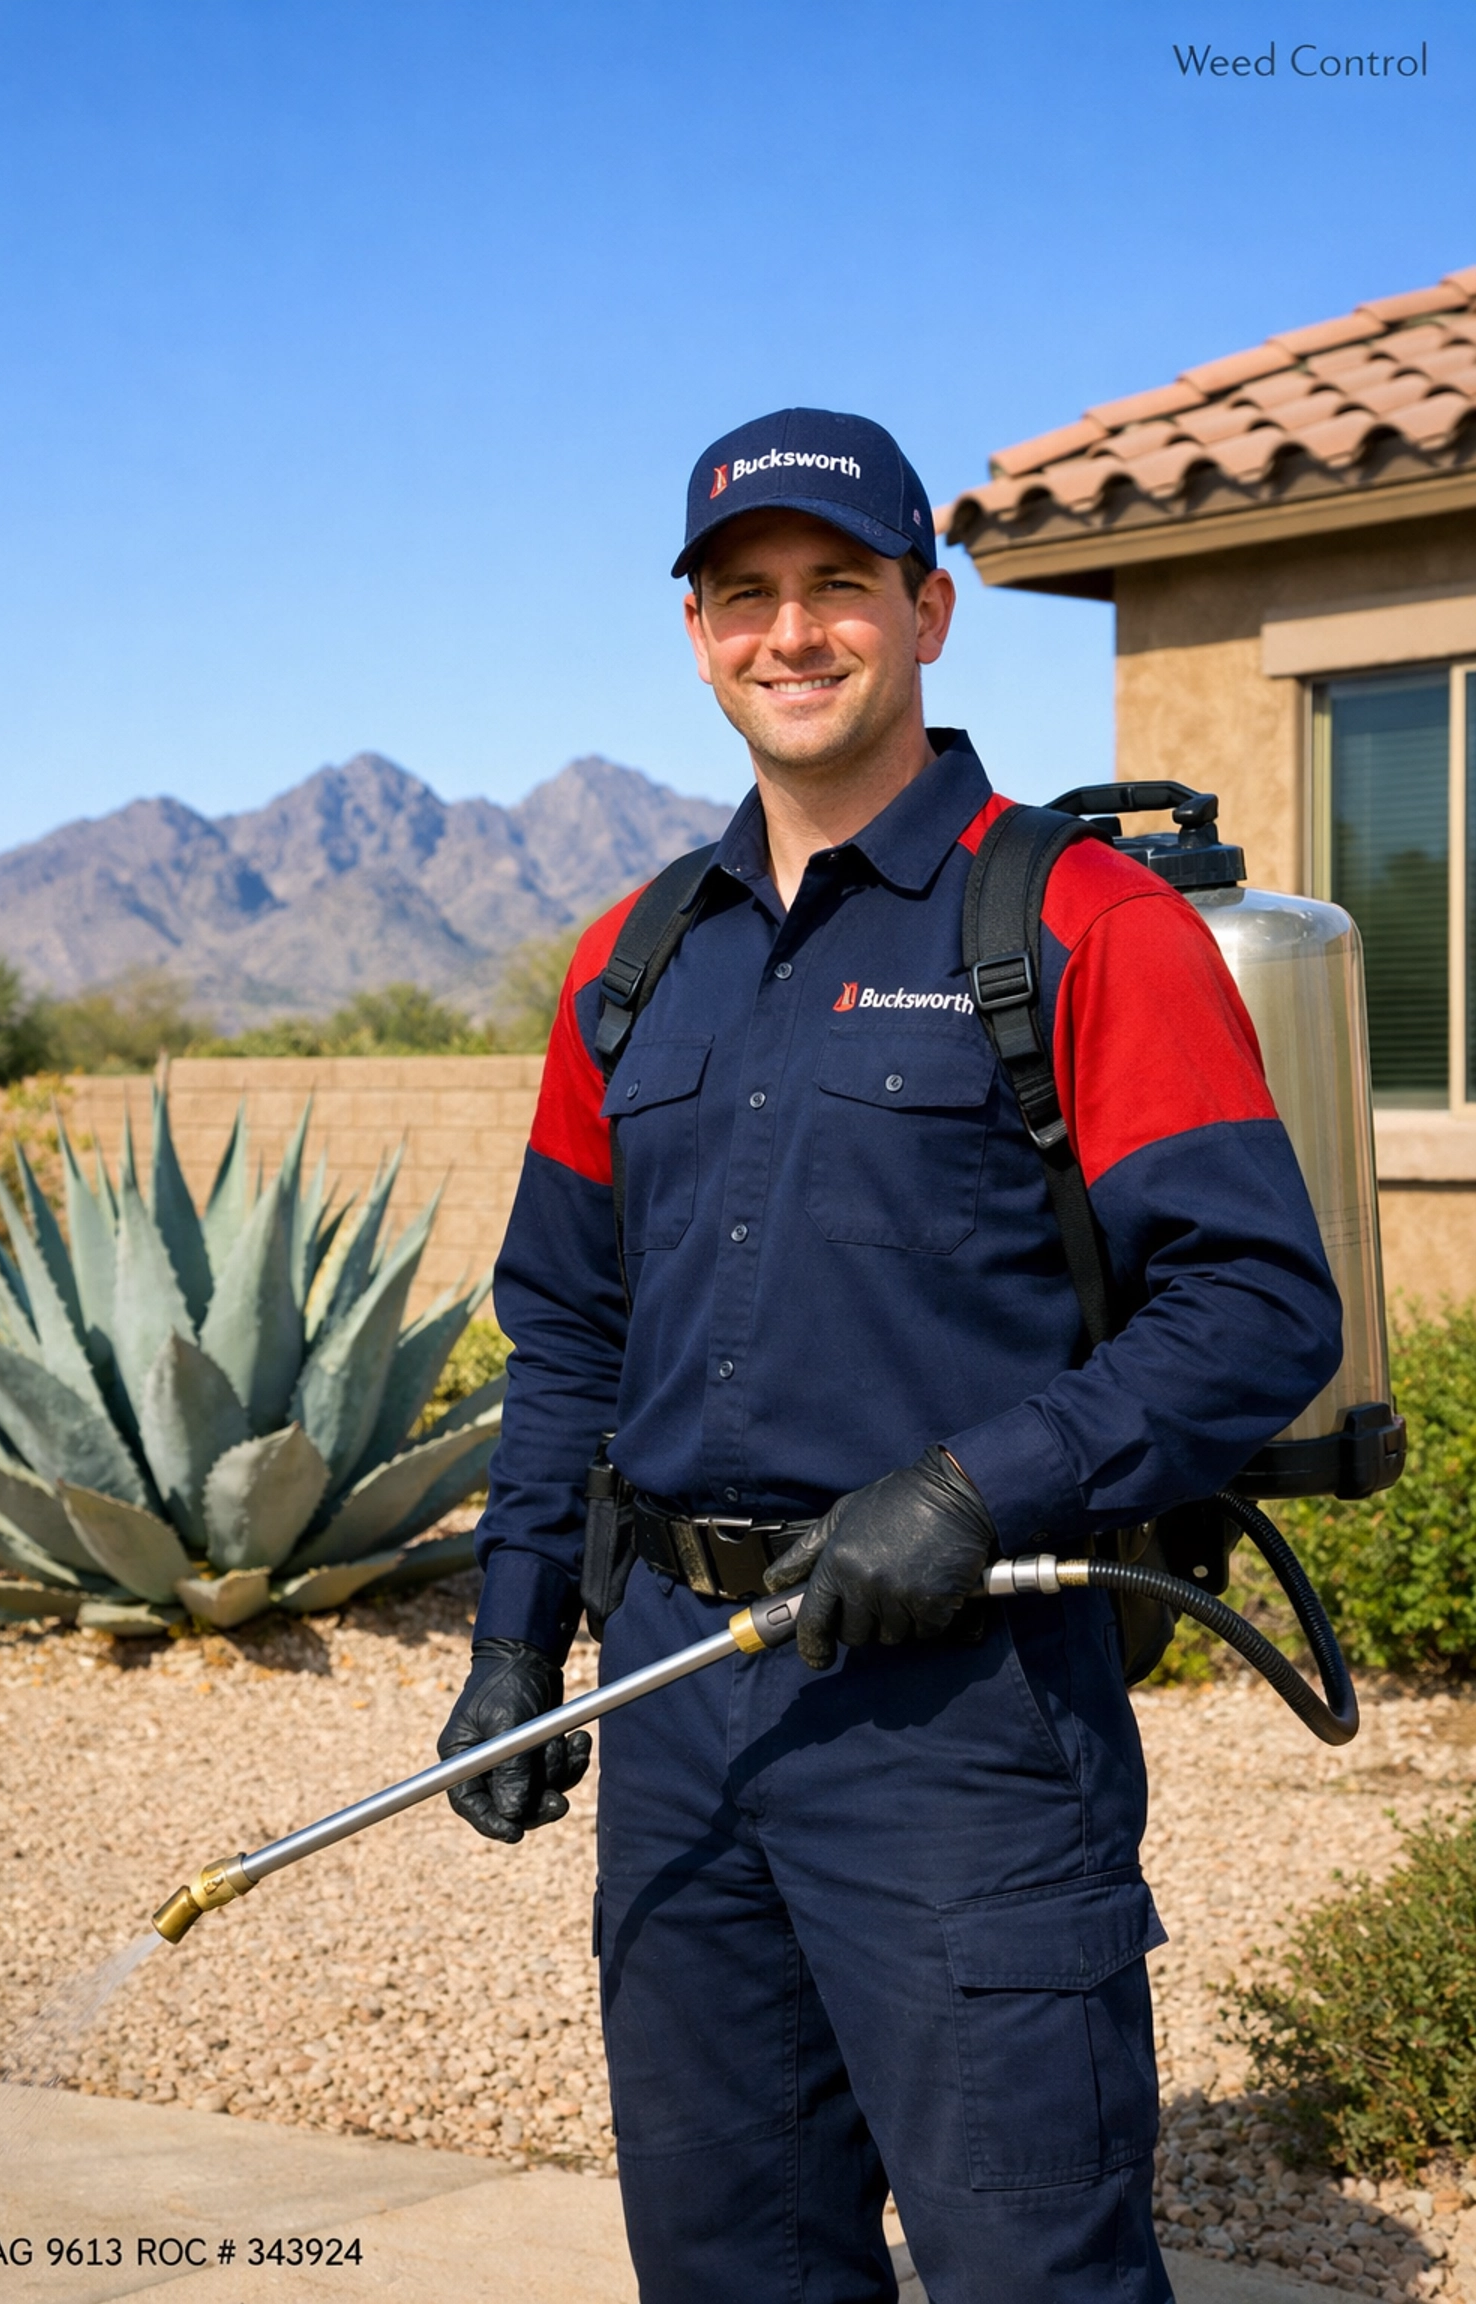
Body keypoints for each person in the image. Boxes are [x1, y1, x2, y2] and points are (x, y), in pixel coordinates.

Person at [437, 407, 1341, 2303]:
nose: (792, 634)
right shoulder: (629, 957)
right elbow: (569, 1329)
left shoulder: (1084, 924)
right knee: (732, 2265)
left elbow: (1257, 1313)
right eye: (744, 595)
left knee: (1035, 2271)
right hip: (677, 1697)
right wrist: (520, 1634)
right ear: (693, 635)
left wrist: (966, 1489)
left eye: (838, 587)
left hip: (967, 1712)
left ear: (929, 610)